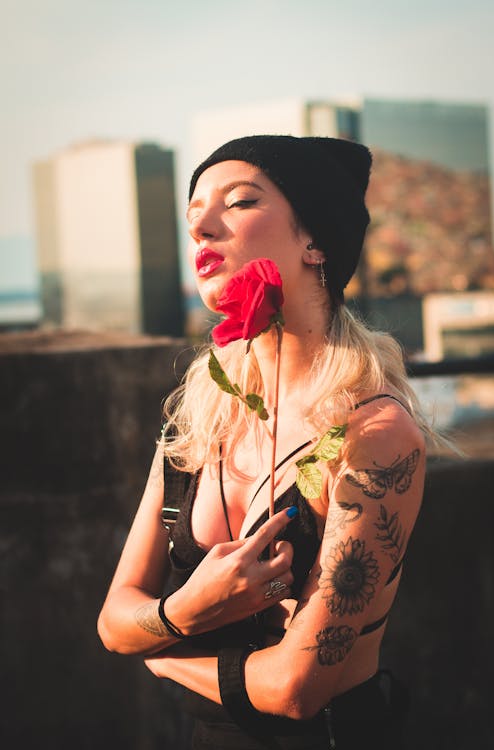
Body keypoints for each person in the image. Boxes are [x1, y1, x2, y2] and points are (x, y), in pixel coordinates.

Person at [98, 135, 431, 749]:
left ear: (315, 242)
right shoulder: (199, 416)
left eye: (240, 202)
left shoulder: (374, 438)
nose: (202, 225)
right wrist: (187, 609)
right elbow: (113, 622)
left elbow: (295, 689)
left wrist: (165, 654)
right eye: (194, 212)